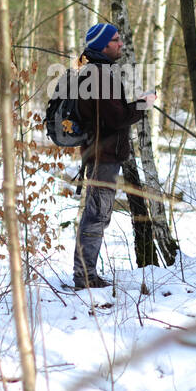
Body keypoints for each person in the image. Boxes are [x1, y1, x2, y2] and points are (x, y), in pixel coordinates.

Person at [72, 22, 155, 291]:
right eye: (116, 40)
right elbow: (117, 118)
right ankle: (85, 276)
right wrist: (144, 103)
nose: (121, 44)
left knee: (97, 214)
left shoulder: (98, 73)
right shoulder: (98, 76)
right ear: (102, 45)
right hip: (102, 156)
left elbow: (111, 114)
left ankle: (85, 273)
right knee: (97, 215)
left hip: (102, 154)